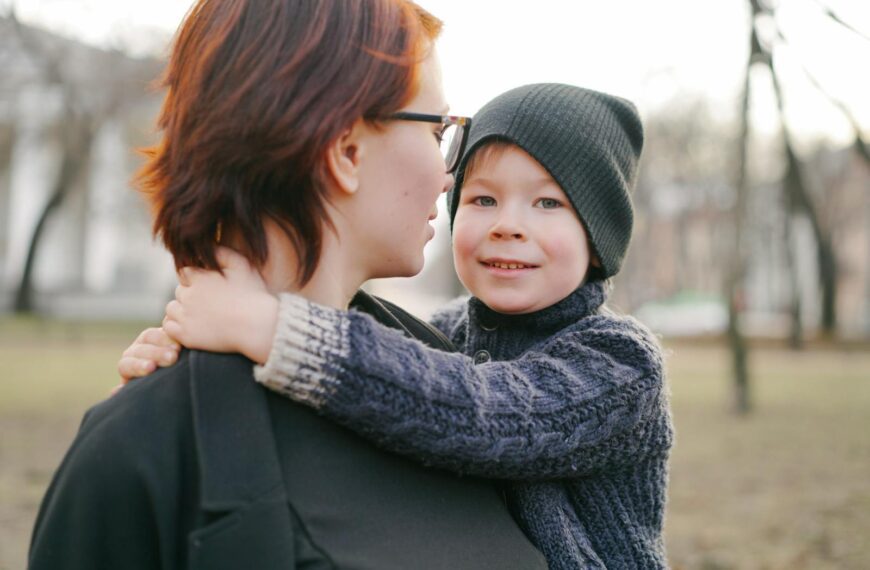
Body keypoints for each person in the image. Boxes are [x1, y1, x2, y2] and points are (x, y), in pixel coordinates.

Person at [28, 1, 550, 568]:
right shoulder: (139, 451)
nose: (448, 174)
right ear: (345, 151)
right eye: (439, 129)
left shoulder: (446, 382)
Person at [121, 83, 676, 569]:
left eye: (548, 203)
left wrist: (278, 332)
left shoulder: (620, 363)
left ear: (599, 239)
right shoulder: (438, 333)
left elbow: (487, 415)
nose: (508, 225)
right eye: (483, 198)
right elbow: (372, 404)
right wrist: (190, 361)